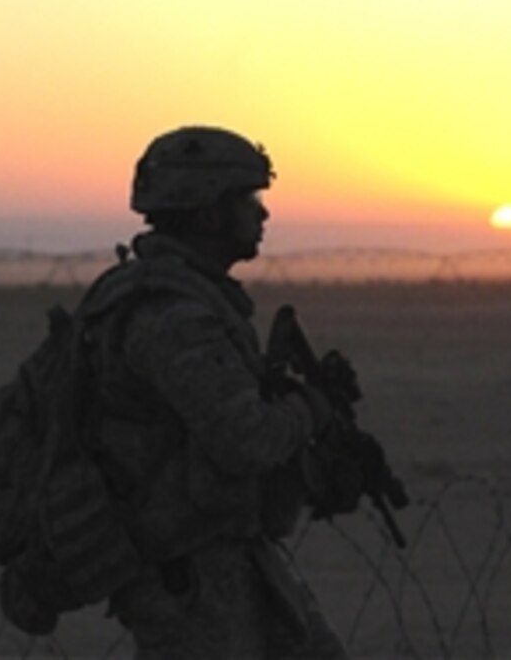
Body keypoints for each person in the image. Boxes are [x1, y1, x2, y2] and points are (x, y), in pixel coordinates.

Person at [84, 125, 348, 658]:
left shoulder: (194, 301)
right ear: (206, 212)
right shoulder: (171, 315)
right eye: (248, 200)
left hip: (221, 553)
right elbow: (244, 438)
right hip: (188, 575)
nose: (262, 215)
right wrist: (310, 411)